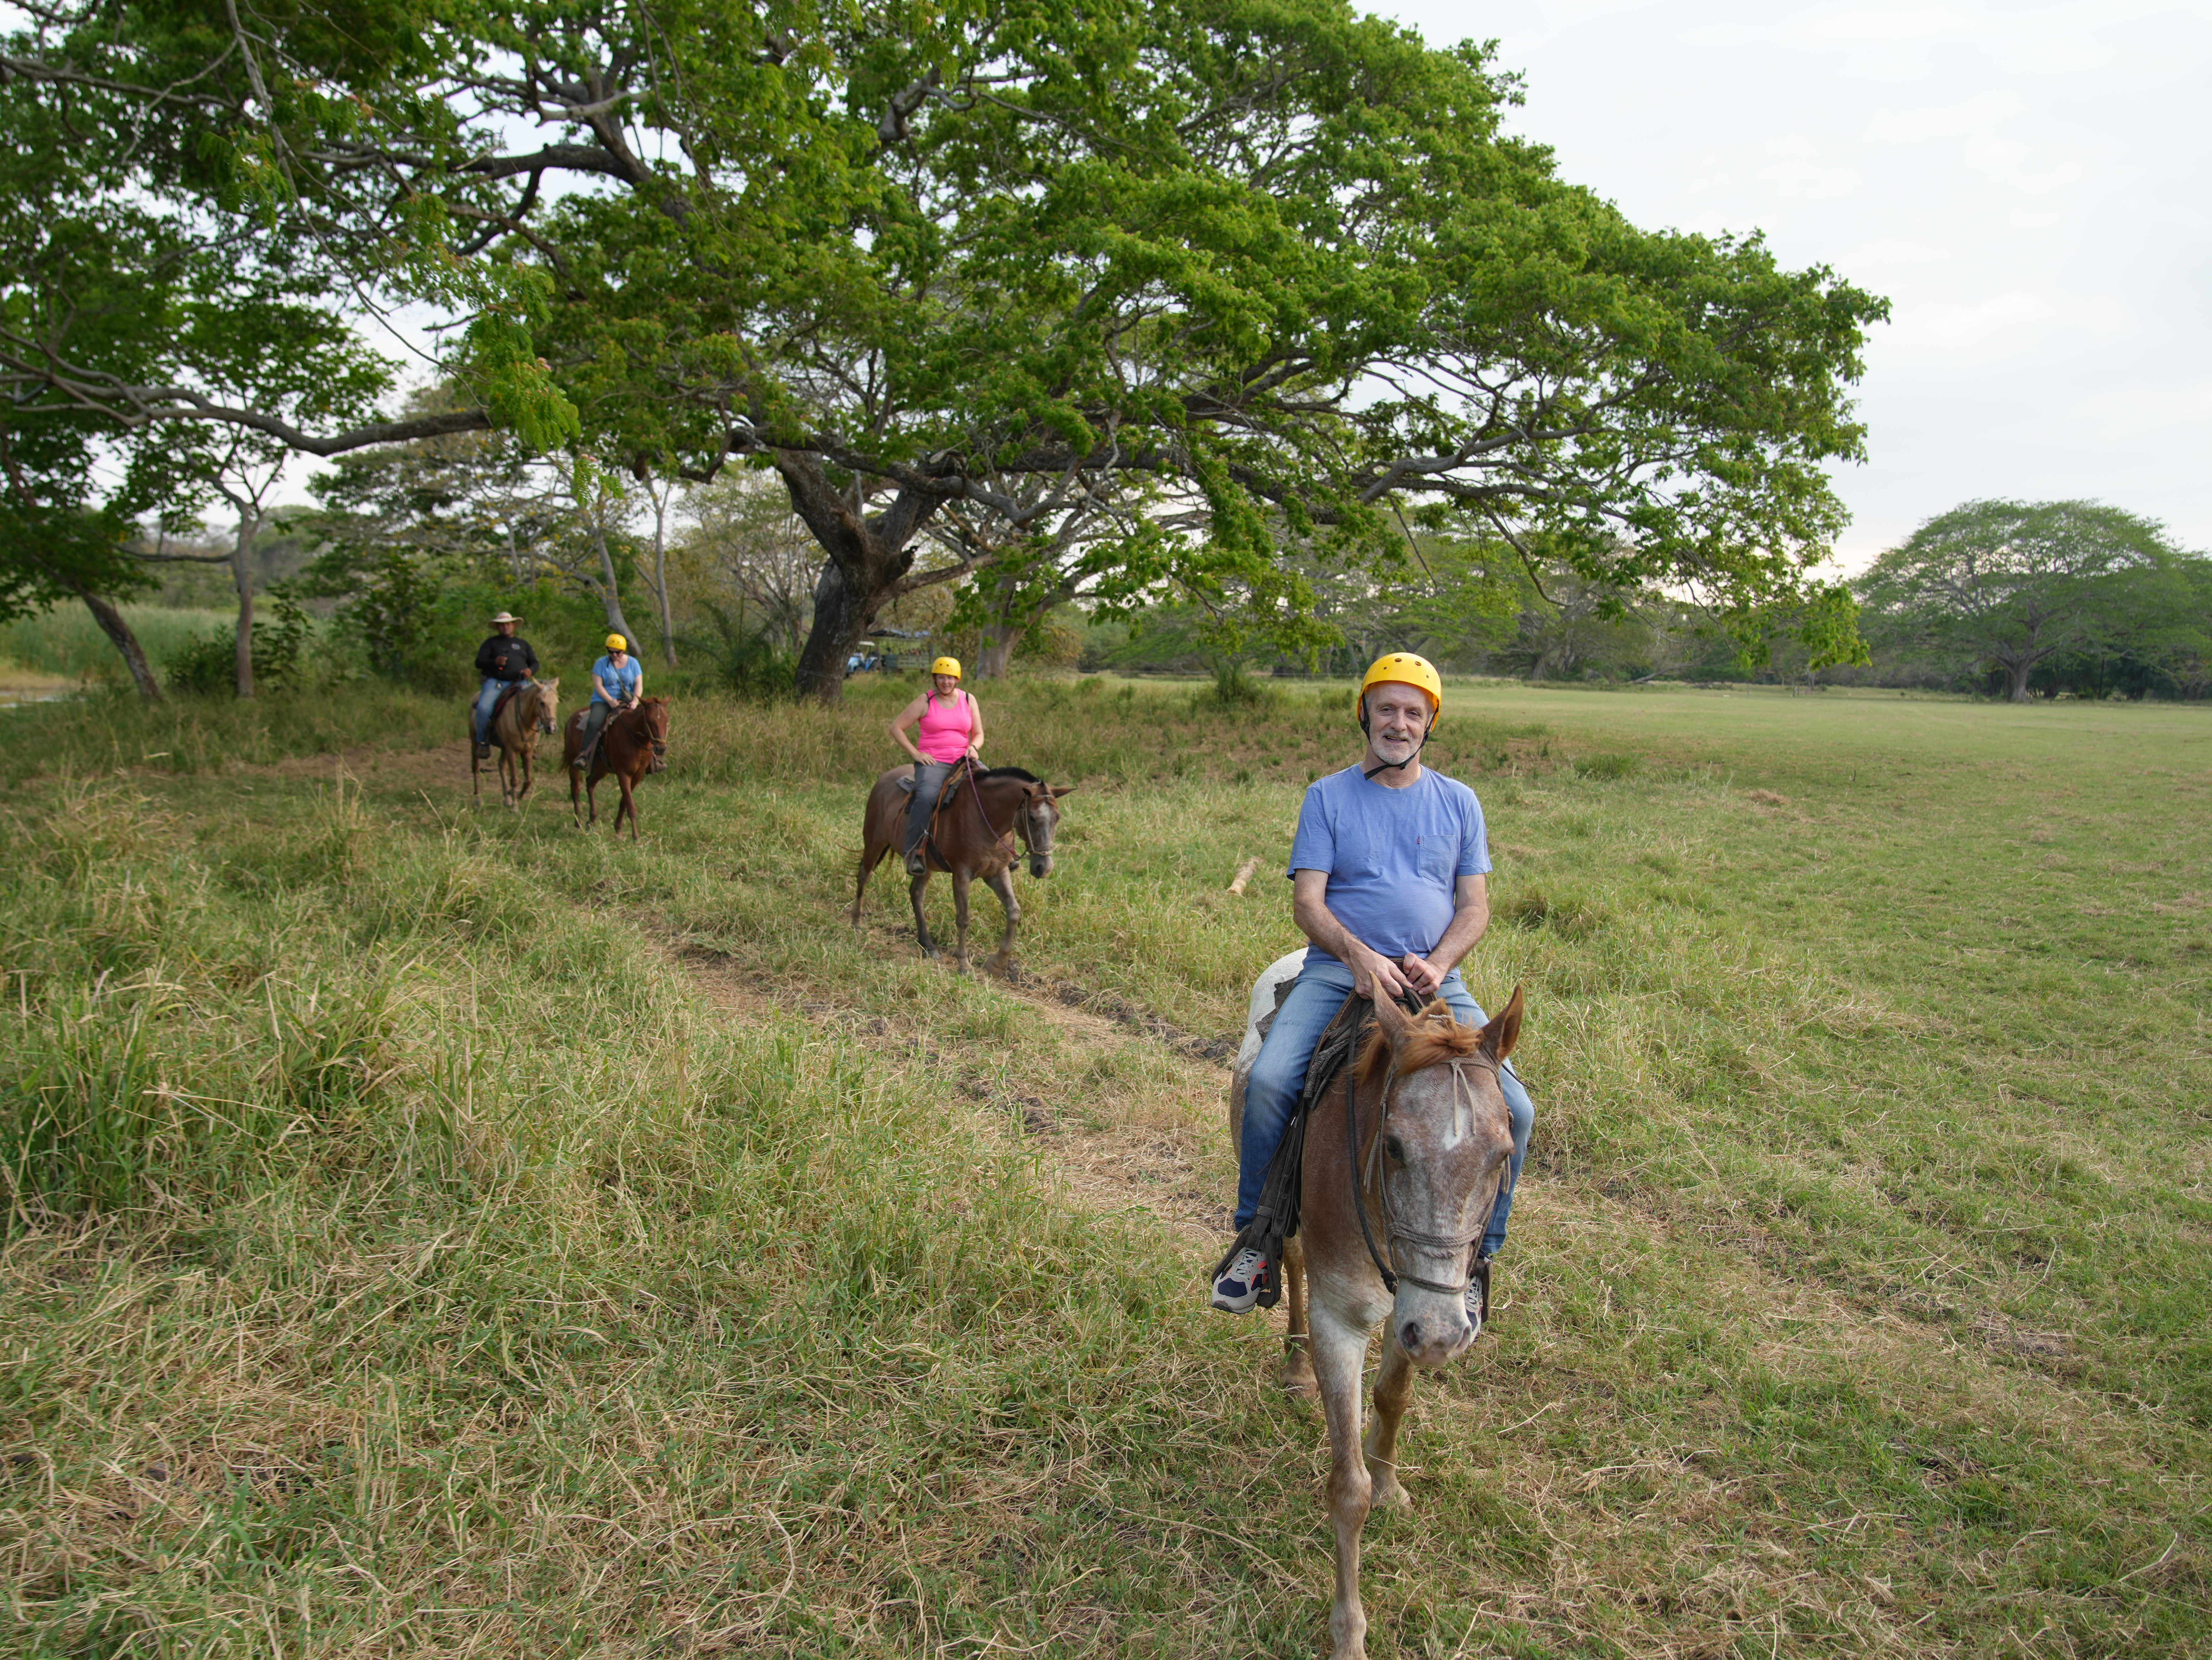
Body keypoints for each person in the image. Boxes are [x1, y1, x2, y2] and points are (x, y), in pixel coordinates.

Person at [1212, 651, 1536, 1329]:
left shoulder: (1459, 801)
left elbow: (1474, 905)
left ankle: (1477, 1259)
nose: (1398, 722)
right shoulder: (1327, 796)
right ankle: (1257, 1237)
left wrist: (1439, 960)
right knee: (1271, 1079)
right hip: (1339, 972)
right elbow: (1308, 902)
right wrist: (1357, 956)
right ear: (1363, 713)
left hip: (1434, 981)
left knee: (1517, 1109)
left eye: (1413, 712)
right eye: (1386, 708)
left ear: (1429, 724)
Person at [888, 657, 984, 875]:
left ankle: (1001, 850)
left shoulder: (969, 699)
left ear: (957, 679)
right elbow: (896, 728)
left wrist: (974, 747)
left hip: (964, 759)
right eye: (941, 677)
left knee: (994, 789)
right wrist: (916, 753)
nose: (946, 682)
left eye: (950, 678)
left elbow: (978, 734)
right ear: (935, 678)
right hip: (934, 761)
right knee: (926, 797)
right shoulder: (925, 701)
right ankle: (914, 851)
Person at [472, 611, 539, 759]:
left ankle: (534, 743)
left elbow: (535, 663)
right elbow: (479, 663)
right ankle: (483, 742)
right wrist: (494, 662)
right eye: (502, 625)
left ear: (514, 625)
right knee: (484, 709)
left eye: (508, 624)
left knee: (540, 702)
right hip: (496, 682)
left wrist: (530, 670)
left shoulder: (523, 645)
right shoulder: (491, 643)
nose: (506, 627)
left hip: (520, 682)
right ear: (497, 627)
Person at [576, 634, 644, 772]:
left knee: (647, 720)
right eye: (610, 652)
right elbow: (598, 685)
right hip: (604, 701)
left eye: (617, 652)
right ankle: (584, 755)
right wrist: (610, 700)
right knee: (595, 722)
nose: (613, 655)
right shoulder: (601, 663)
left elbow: (639, 683)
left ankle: (653, 758)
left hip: (629, 700)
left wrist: (636, 701)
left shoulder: (633, 663)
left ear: (623, 651)